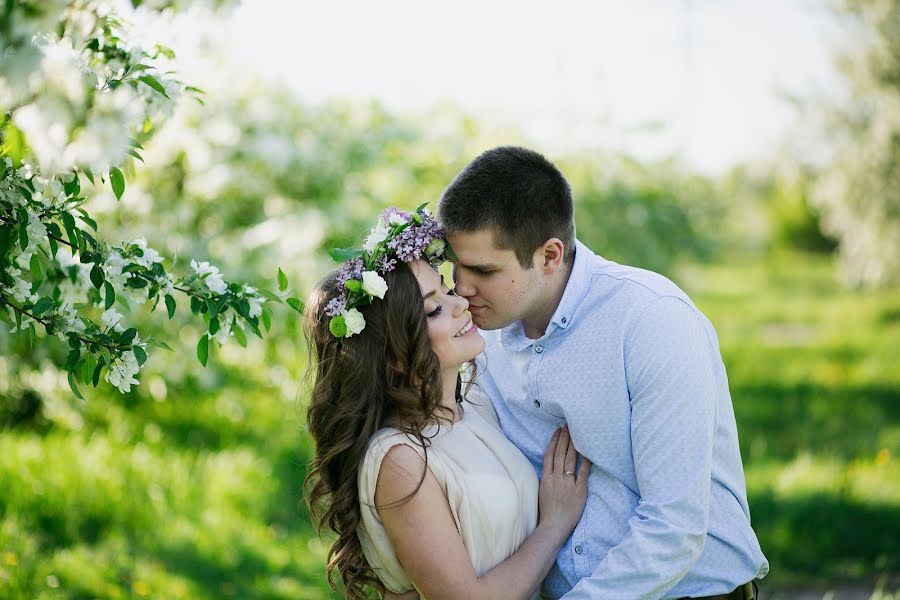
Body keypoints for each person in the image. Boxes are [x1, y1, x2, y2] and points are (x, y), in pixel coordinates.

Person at [436, 146, 770, 600]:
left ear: (550, 255)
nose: (461, 286)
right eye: (456, 264)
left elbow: (675, 528)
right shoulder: (478, 338)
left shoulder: (651, 320)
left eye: (483, 270)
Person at [303, 205, 591, 600]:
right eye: (434, 308)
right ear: (395, 354)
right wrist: (555, 525)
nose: (461, 305)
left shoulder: (476, 407)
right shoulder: (401, 459)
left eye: (448, 290)